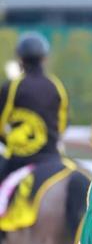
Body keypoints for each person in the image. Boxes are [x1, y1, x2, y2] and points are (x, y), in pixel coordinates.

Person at [0, 32, 68, 185]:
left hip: (18, 158)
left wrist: (9, 141)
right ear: (44, 58)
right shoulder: (57, 86)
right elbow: (62, 126)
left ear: (20, 59)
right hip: (52, 155)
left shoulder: (12, 86)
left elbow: (0, 125)